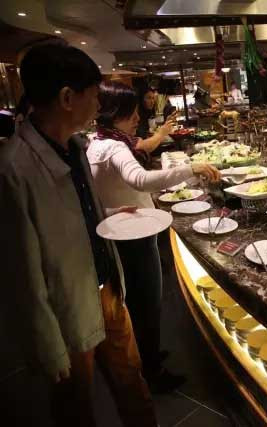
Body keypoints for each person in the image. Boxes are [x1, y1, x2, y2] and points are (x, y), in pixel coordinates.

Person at [0, 43, 157, 426]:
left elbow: (76, 213)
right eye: (94, 95)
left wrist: (113, 214)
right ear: (68, 98)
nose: (99, 105)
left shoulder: (75, 146)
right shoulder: (14, 169)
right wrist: (47, 343)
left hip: (106, 286)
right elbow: (20, 270)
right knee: (74, 404)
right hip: (65, 305)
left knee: (132, 382)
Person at [86, 80, 221, 392]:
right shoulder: (114, 146)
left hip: (120, 231)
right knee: (146, 302)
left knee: (135, 300)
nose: (137, 118)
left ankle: (146, 356)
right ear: (114, 113)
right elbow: (141, 180)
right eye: (130, 113)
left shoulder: (97, 142)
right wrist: (192, 168)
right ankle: (151, 370)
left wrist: (109, 210)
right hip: (135, 235)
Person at [135, 86, 177, 154]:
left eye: (153, 98)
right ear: (141, 99)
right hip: (147, 150)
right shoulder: (137, 117)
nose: (152, 101)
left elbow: (157, 129)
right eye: (148, 98)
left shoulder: (153, 113)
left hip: (158, 146)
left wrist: (167, 122)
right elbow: (142, 137)